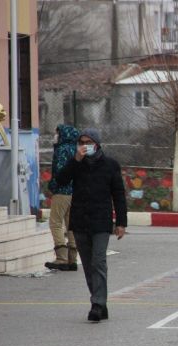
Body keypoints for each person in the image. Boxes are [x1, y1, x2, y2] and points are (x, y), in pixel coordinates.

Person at [57, 128, 127, 322]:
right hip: (80, 221)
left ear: (96, 144)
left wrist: (121, 222)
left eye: (88, 142)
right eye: (81, 142)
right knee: (88, 265)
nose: (84, 146)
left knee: (98, 261)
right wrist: (75, 161)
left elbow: (118, 194)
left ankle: (97, 303)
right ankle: (100, 303)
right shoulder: (76, 164)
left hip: (101, 221)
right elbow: (61, 180)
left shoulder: (110, 165)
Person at [45, 124, 80, 271]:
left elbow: (59, 172)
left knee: (55, 222)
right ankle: (72, 258)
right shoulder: (77, 150)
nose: (56, 136)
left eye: (57, 133)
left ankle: (61, 257)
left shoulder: (61, 150)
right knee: (71, 224)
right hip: (75, 192)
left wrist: (52, 186)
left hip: (62, 191)